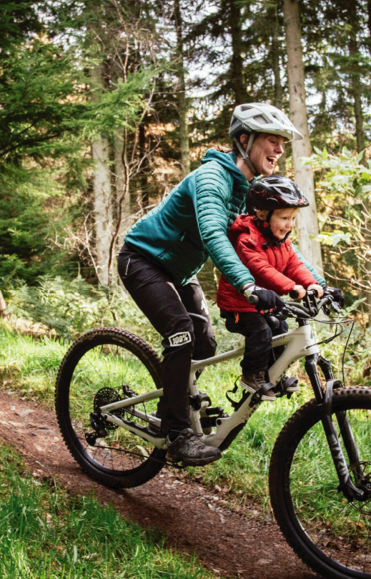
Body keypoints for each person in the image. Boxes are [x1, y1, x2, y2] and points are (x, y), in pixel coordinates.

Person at [118, 102, 324, 466]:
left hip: (178, 273)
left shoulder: (251, 190)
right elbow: (214, 235)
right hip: (144, 260)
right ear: (245, 140)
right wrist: (247, 287)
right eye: (272, 141)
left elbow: (274, 245)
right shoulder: (213, 178)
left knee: (205, 343)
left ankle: (180, 405)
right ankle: (177, 431)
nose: (279, 149)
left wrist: (316, 284)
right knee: (181, 333)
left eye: (282, 142)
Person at [216, 176, 325, 402]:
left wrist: (311, 283)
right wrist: (290, 287)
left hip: (265, 305)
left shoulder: (281, 240)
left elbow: (294, 264)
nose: (290, 224)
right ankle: (251, 375)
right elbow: (261, 268)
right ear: (263, 215)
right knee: (261, 332)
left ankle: (274, 375)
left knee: (281, 329)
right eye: (284, 217)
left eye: (293, 218)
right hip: (240, 307)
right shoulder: (247, 240)